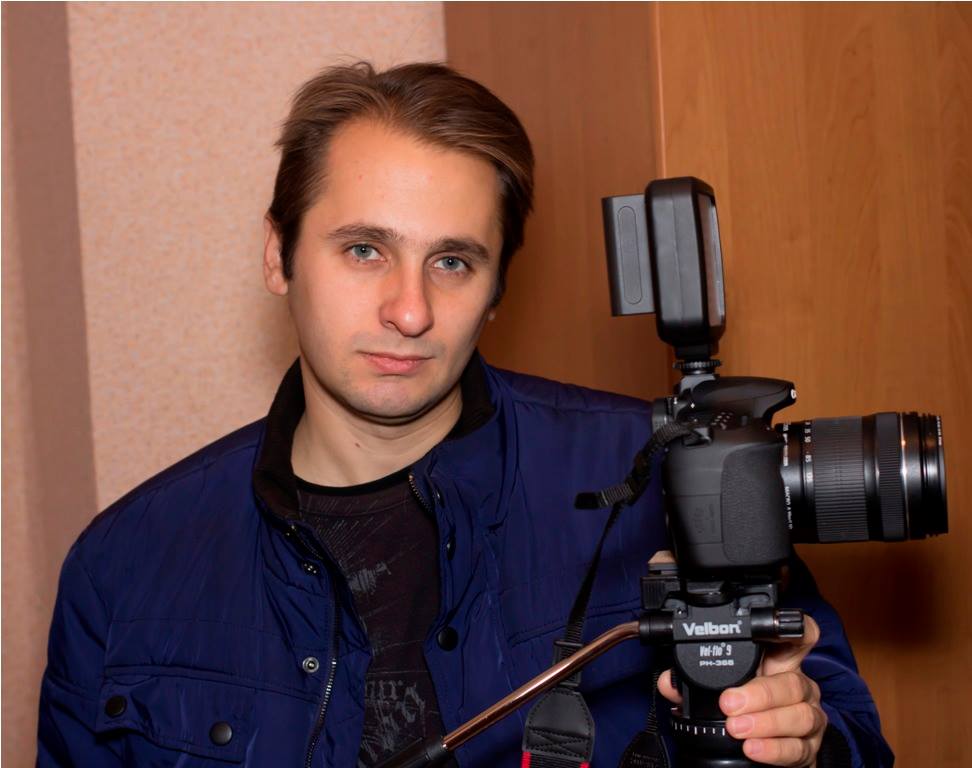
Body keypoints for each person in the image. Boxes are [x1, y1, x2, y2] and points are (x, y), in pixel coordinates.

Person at [37, 62, 892, 768]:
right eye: (364, 250)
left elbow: (848, 733)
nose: (409, 311)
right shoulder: (126, 566)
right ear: (278, 255)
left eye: (452, 262)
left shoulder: (666, 478)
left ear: (496, 290)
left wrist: (809, 739)